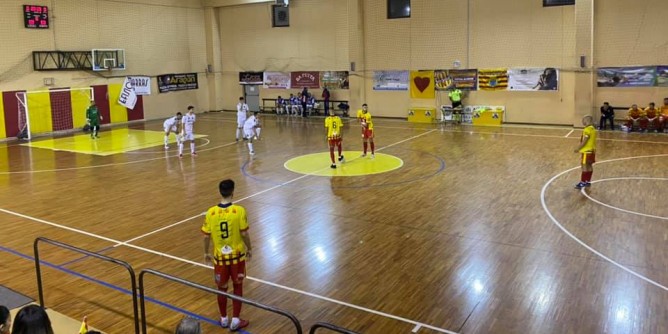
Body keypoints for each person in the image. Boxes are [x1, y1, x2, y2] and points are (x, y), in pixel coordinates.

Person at [202, 179, 253, 332]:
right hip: (237, 258)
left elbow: (206, 236)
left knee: (221, 287)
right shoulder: (239, 210)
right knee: (238, 286)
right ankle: (236, 320)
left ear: (220, 192)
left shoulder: (211, 212)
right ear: (233, 192)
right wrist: (249, 248)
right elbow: (244, 233)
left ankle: (224, 318)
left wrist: (206, 252)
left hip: (220, 259)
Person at [574, 115, 597, 190]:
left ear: (586, 121)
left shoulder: (587, 129)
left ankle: (582, 182)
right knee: (589, 165)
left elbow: (585, 140)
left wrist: (578, 148)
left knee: (584, 165)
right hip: (592, 150)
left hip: (586, 151)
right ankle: (587, 181)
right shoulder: (593, 129)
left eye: (583, 120)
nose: (582, 122)